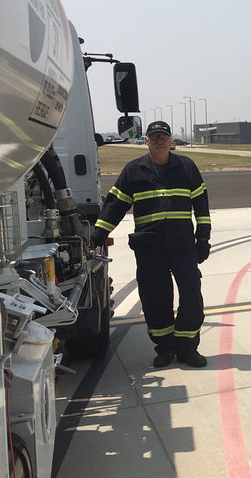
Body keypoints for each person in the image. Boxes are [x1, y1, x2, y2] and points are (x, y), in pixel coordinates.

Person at [90, 121, 212, 368]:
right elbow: (115, 205)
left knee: (191, 295)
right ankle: (165, 348)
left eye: (163, 137)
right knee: (155, 299)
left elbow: (201, 203)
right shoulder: (133, 170)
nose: (159, 140)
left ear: (170, 141)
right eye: (154, 136)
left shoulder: (186, 167)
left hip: (182, 245)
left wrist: (203, 237)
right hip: (150, 247)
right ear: (146, 141)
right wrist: (97, 235)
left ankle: (187, 348)